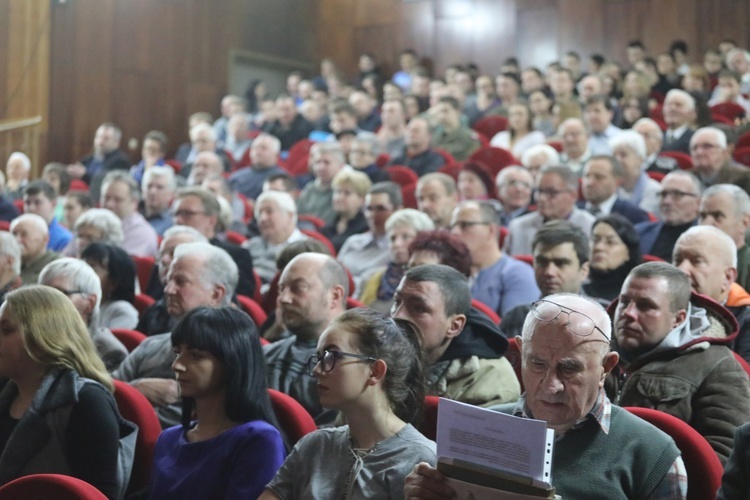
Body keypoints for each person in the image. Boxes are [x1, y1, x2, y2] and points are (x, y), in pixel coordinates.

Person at [404, 293, 687, 499]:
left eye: (569, 368)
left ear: (606, 368)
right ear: (520, 353)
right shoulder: (480, 430)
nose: (550, 385)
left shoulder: (652, 454)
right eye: (537, 363)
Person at [261, 308, 436, 499]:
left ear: (375, 371)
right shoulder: (314, 446)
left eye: (332, 356)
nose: (317, 370)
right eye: (319, 358)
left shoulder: (421, 462)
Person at [0, 286, 136, 499]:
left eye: (6, 330)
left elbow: (97, 494)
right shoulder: (5, 390)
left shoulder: (85, 401)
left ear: (42, 337)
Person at [609, 261, 750, 464]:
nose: (628, 313)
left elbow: (724, 457)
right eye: (624, 301)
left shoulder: (716, 365)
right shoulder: (594, 349)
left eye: (646, 306)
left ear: (678, 319)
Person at [148, 307, 285, 499]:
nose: (177, 365)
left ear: (232, 361)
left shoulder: (258, 440)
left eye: (196, 355)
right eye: (178, 353)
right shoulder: (168, 439)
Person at [114, 242, 238, 428]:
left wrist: (128, 396)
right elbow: (106, 394)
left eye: (180, 282)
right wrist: (136, 390)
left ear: (216, 293)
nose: (168, 289)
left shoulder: (234, 358)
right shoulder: (151, 345)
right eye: (169, 280)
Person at [392, 264, 520, 407]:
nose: (397, 316)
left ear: (454, 326)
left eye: (418, 308)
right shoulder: (380, 351)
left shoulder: (491, 381)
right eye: (397, 302)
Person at [263, 253, 348, 425]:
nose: (283, 299)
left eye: (297, 288)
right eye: (281, 289)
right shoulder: (265, 355)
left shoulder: (353, 368)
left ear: (334, 296)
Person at [672, 225, 750, 363]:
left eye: (697, 261)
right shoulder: (655, 311)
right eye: (677, 260)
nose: (682, 270)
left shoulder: (746, 321)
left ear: (727, 277)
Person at [39, 258, 128, 372]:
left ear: (89, 303)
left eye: (59, 294)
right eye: (42, 293)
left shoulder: (109, 352)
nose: (46, 301)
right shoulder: (29, 337)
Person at [505, 165, 596, 256]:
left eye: (551, 192)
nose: (542, 198)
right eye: (539, 191)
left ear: (573, 195)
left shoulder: (590, 227)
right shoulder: (518, 228)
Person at [360, 209, 435, 313]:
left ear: (423, 240)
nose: (397, 244)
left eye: (405, 237)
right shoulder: (369, 278)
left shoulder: (432, 282)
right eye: (392, 238)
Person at [338, 182, 402, 296]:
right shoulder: (353, 242)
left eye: (380, 208)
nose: (372, 214)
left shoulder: (398, 250)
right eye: (368, 208)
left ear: (397, 210)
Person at [635, 171, 701, 261]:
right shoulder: (640, 233)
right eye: (663, 194)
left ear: (698, 202)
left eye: (677, 194)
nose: (667, 201)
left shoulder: (708, 238)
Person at [699, 184, 750, 292]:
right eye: (703, 216)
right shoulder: (687, 260)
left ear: (744, 222)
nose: (706, 223)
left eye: (717, 216)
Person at [584, 214, 642, 303]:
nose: (599, 247)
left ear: (628, 252)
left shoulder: (632, 297)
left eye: (610, 242)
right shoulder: (577, 288)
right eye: (595, 240)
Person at [80, 243, 139, 331]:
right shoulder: (80, 301)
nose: (83, 274)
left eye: (92, 269)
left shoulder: (122, 312)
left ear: (114, 282)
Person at [320, 169, 371, 252]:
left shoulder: (366, 228)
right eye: (337, 192)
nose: (339, 198)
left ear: (362, 199)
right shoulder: (327, 227)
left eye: (347, 193)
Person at [10, 213, 60, 285]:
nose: (17, 239)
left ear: (45, 239)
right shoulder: (7, 262)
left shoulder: (56, 267)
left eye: (24, 234)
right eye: (14, 234)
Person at [22, 180, 72, 252]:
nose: (31, 208)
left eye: (37, 202)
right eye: (27, 203)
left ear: (53, 204)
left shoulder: (64, 239)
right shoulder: (18, 235)